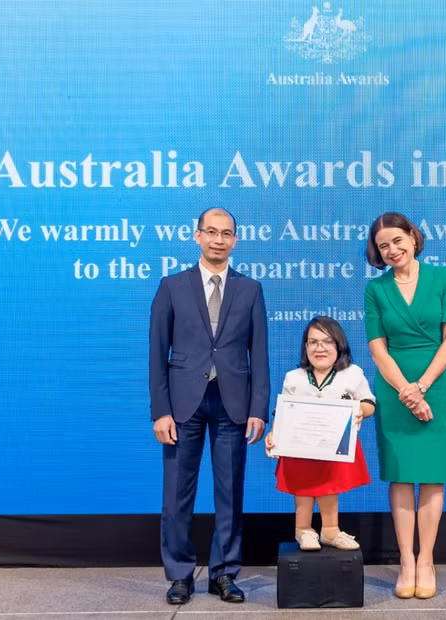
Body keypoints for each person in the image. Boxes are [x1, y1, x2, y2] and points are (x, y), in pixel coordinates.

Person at [148, 207, 269, 605]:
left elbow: (260, 355)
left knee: (229, 492)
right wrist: (160, 411)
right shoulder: (171, 286)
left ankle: (224, 573)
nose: (219, 239)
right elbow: (156, 354)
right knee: (176, 494)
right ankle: (180, 574)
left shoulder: (251, 289)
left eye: (226, 233)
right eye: (211, 232)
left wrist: (258, 408)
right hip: (183, 405)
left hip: (233, 403)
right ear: (196, 235)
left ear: (236, 240)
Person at [363, 212, 446, 600]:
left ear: (413, 237)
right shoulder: (376, 289)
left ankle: (427, 560)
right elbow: (376, 346)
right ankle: (406, 560)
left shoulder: (442, 279)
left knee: (433, 475)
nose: (392, 250)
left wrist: (422, 386)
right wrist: (405, 390)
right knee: (401, 476)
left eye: (397, 241)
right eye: (383, 246)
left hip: (436, 384)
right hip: (393, 386)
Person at [264, 317, 375, 552]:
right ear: (305, 347)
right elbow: (283, 412)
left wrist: (360, 411)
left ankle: (330, 531)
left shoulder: (353, 374)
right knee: (302, 489)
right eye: (313, 342)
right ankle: (303, 531)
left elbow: (369, 402)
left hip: (334, 448)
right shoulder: (294, 377)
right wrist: (274, 435)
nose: (319, 348)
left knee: (328, 486)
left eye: (327, 341)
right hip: (299, 448)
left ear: (339, 345)